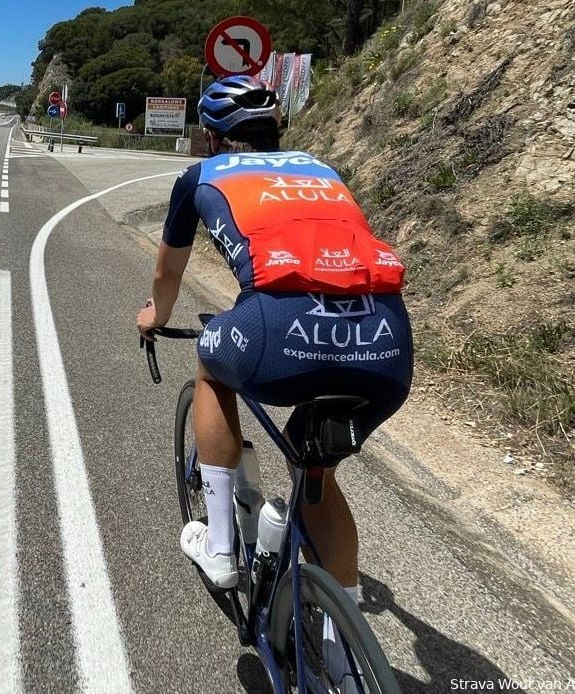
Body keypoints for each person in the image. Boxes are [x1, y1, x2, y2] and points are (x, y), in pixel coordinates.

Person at [135, 75, 414, 601]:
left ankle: (219, 546)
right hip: (387, 342)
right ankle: (342, 645)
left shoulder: (202, 176)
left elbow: (167, 275)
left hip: (279, 328)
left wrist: (154, 314)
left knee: (211, 367)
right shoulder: (324, 170)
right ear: (277, 130)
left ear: (213, 137)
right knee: (315, 473)